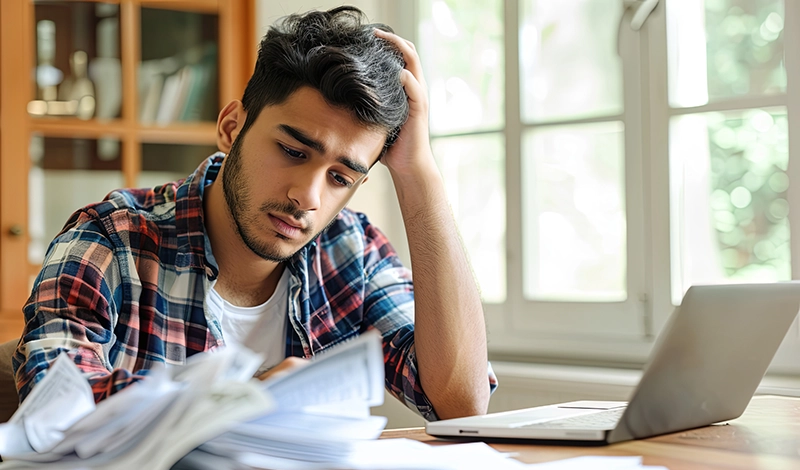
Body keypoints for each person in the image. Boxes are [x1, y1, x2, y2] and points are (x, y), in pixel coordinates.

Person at [13, 7, 496, 421]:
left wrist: (419, 174)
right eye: (292, 150)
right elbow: (55, 411)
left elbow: (459, 403)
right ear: (231, 127)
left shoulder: (351, 251)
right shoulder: (108, 240)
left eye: (340, 178)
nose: (307, 195)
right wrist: (232, 399)